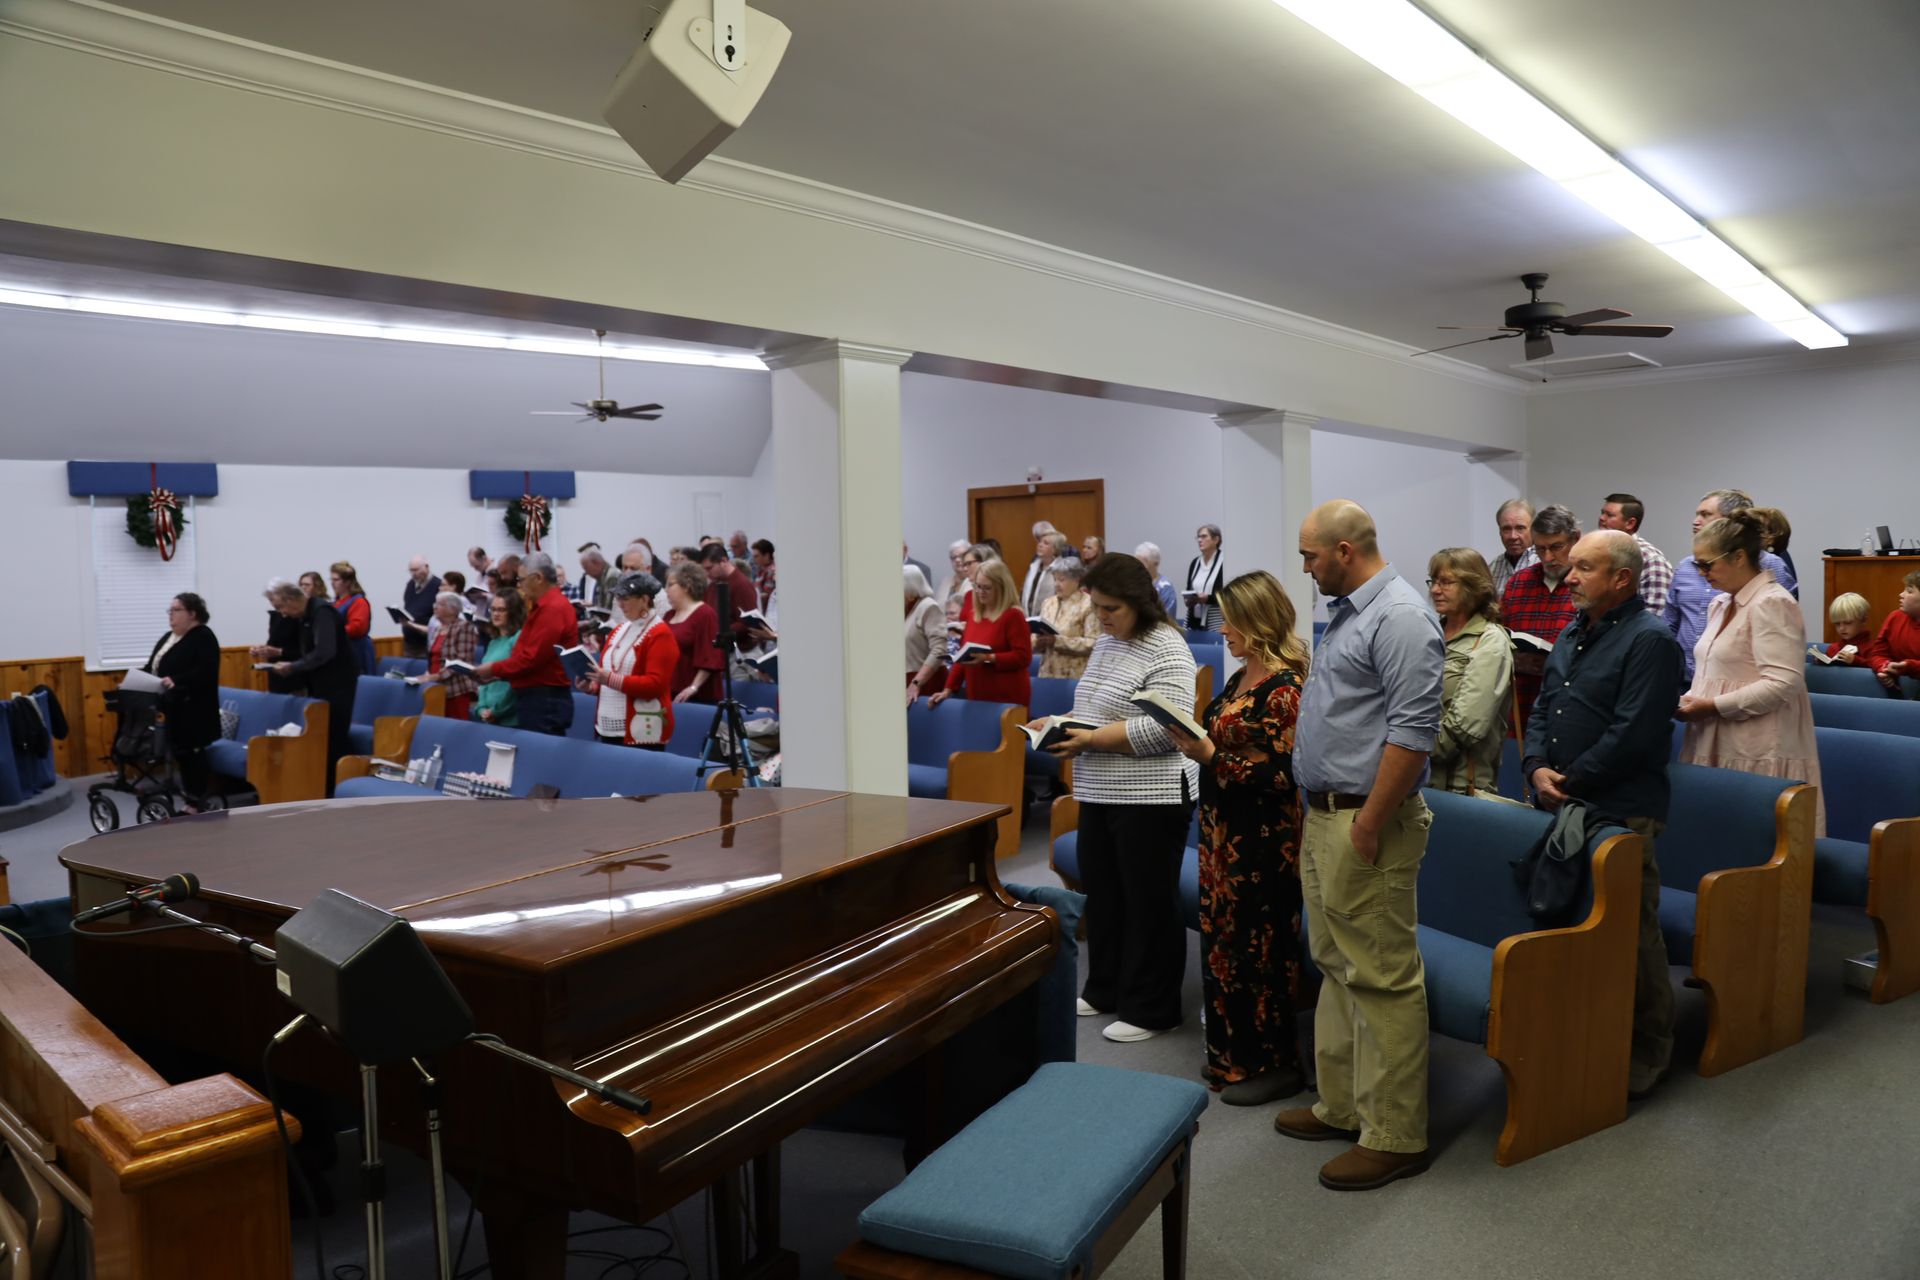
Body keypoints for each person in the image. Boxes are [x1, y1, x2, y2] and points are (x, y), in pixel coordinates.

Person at [1272, 500, 1442, 1192]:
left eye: (1309, 555)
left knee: (1381, 976)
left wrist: (1369, 821)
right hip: (1327, 814)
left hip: (1367, 821)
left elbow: (1413, 733)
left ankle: (1395, 1135)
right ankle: (1342, 1105)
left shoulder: (1400, 616)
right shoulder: (1348, 612)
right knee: (1336, 964)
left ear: (1344, 550)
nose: (1305, 567)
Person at [1522, 530, 1684, 1100]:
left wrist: (1568, 781)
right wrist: (1535, 765)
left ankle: (1648, 1049)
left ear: (1621, 578)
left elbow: (1633, 733)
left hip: (1621, 808)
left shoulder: (1651, 640)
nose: (1568, 578)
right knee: (1574, 922)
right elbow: (1543, 707)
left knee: (1632, 933)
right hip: (1567, 799)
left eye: (1583, 568)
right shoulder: (1574, 631)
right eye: (1571, 567)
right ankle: (1586, 1031)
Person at [1033, 553, 1198, 1044]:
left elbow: (1168, 730)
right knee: (1103, 893)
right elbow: (1094, 707)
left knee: (1148, 901)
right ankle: (1106, 988)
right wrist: (1060, 724)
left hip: (1152, 794)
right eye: (1097, 607)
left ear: (1139, 603)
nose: (1101, 617)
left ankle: (1153, 1008)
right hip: (1100, 787)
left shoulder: (1167, 646)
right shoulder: (1108, 642)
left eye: (1111, 609)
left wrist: (1089, 739)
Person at [1166, 570, 1310, 1104]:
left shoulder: (1286, 688)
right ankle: (1232, 1056)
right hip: (1222, 830)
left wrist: (1211, 756)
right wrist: (1196, 742)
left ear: (1257, 621)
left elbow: (1284, 777)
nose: (1222, 629)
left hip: (1263, 839)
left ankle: (1274, 1063)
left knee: (1260, 950)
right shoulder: (1240, 678)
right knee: (1223, 943)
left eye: (1231, 620)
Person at [1676, 511, 1825, 831]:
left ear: (1739, 557)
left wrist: (1712, 706)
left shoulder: (1772, 603)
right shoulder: (1720, 604)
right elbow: (1714, 672)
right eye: (1697, 565)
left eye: (1707, 564)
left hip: (1756, 743)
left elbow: (1783, 683)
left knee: (1751, 836)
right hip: (1713, 734)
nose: (1701, 573)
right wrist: (1687, 699)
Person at [1666, 489, 1797, 679]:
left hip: (1742, 680)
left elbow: (1782, 635)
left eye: (1705, 514)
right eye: (1696, 514)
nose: (1695, 521)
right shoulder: (1688, 570)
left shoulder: (1770, 567)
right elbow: (1670, 622)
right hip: (1685, 678)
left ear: (1729, 521)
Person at [1426, 548, 1513, 797]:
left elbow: (1466, 726)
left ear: (1473, 587)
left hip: (1460, 789)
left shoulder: (1490, 641)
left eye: (1446, 582)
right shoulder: (1429, 634)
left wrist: (1407, 748)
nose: (1435, 590)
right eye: (1433, 581)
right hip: (1417, 780)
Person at [471, 551, 578, 736]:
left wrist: (494, 669)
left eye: (521, 579)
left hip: (544, 698)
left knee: (540, 752)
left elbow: (531, 658)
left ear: (538, 578)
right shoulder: (543, 606)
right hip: (537, 697)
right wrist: (497, 675)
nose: (519, 585)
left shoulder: (552, 608)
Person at [269, 578, 359, 794]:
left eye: (281, 607)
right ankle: (323, 788)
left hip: (338, 684)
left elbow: (324, 652)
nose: (282, 613)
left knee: (335, 737)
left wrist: (293, 667)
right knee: (323, 736)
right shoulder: (305, 615)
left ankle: (342, 789)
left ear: (291, 600)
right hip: (320, 684)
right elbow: (307, 651)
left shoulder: (321, 612)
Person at [1501, 504, 1582, 731]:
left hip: (1570, 706)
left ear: (1575, 538)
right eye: (1540, 549)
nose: (1548, 557)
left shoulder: (1588, 584)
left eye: (1556, 547)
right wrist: (1514, 659)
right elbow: (1499, 636)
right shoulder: (1518, 582)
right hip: (1521, 704)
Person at [583, 572, 679, 749]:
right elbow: (608, 672)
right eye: (618, 597)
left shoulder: (660, 634)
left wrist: (610, 680)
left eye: (625, 598)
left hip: (641, 730)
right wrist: (592, 686)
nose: (620, 604)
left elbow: (655, 684)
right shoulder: (619, 630)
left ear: (644, 599)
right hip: (608, 726)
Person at [144, 592, 221, 805]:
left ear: (192, 614)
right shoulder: (168, 637)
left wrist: (176, 680)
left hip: (194, 707)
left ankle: (196, 802)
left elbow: (206, 672)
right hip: (172, 705)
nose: (171, 615)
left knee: (192, 753)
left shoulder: (203, 636)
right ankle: (190, 798)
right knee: (181, 753)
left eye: (176, 610)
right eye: (170, 610)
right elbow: (153, 666)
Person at [930, 558, 1031, 708]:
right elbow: (962, 658)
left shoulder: (1013, 615)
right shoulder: (973, 615)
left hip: (1005, 696)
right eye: (977, 586)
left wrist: (988, 658)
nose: (980, 592)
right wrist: (948, 689)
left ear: (1001, 587)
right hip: (977, 694)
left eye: (987, 588)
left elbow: (1023, 657)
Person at [1596, 493, 1675, 614]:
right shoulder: (1597, 553)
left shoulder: (1651, 559)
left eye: (1609, 515)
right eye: (1602, 513)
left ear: (1630, 523)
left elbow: (1655, 615)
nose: (1602, 518)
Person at [665, 561, 725, 704]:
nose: (666, 590)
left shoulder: (705, 614)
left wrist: (693, 687)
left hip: (696, 696)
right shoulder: (669, 615)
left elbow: (710, 657)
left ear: (686, 586)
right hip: (670, 690)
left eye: (670, 585)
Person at [419, 591, 480, 722]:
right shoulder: (437, 629)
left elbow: (462, 660)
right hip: (435, 687)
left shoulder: (465, 627)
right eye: (435, 603)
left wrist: (437, 676)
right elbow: (433, 658)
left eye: (440, 604)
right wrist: (428, 675)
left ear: (453, 609)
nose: (435, 607)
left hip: (456, 688)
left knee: (456, 726)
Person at [1036, 557, 1099, 679]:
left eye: (1061, 580)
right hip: (1046, 675)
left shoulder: (1088, 604)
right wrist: (1037, 642)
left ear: (1077, 579)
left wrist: (1057, 641)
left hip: (1073, 677)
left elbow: (1093, 643)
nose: (1056, 584)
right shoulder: (1048, 603)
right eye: (1055, 579)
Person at [252, 576, 310, 694]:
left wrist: (279, 652)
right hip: (277, 676)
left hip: (296, 677)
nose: (281, 612)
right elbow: (273, 641)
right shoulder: (275, 616)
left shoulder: (298, 616)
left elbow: (306, 650)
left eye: (278, 605)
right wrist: (262, 649)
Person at [473, 593, 524, 726]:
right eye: (493, 609)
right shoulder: (493, 642)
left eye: (501, 610)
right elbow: (485, 681)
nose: (495, 614)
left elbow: (517, 680)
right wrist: (481, 708)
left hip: (510, 718)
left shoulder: (519, 638)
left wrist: (496, 711)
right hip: (489, 715)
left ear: (513, 612)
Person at [1864, 570, 1920, 690]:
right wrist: (1884, 668)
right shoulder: (1894, 617)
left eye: (1909, 591)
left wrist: (1909, 667)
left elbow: (1909, 667)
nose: (1901, 594)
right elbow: (1878, 654)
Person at [699, 543, 764, 641]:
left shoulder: (741, 585)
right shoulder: (715, 583)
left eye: (709, 568)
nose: (707, 573)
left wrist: (718, 631)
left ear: (724, 561)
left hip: (737, 647)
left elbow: (749, 624)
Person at [904, 565, 949, 703]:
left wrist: (916, 682)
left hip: (926, 681)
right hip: (907, 679)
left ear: (910, 590)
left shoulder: (928, 606)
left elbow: (939, 650)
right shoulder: (904, 609)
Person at [328, 561, 376, 675]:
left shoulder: (359, 601)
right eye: (331, 579)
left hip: (356, 650)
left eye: (336, 580)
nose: (332, 583)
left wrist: (331, 631)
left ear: (348, 582)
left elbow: (357, 628)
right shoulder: (336, 603)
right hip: (342, 650)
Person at [1488, 499, 1538, 602]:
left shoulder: (1545, 562)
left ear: (1533, 530)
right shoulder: (1493, 567)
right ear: (1500, 531)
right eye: (1506, 529)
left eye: (1520, 528)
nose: (1512, 536)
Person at [1184, 525, 1226, 631]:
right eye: (1198, 537)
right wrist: (1189, 599)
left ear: (1216, 539)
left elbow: (1226, 593)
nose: (1199, 540)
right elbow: (1189, 588)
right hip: (1194, 619)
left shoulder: (1224, 562)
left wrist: (1208, 598)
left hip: (1215, 619)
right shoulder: (1195, 562)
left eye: (1203, 536)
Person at [399, 555, 439, 657]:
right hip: (409, 643)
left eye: (416, 570)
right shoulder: (411, 584)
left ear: (426, 567)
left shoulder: (437, 585)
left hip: (427, 643)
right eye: (411, 570)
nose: (413, 573)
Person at [1019, 522, 1061, 617]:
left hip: (1049, 620)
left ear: (1055, 549)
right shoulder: (1033, 566)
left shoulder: (1060, 569)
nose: (1040, 545)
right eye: (1039, 542)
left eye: (1046, 543)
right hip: (1028, 618)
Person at [1822, 592, 1873, 665]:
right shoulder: (1833, 649)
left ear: (1863, 620)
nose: (1841, 628)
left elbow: (1876, 666)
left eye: (1848, 623)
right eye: (1837, 624)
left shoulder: (1873, 648)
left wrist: (1856, 661)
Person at [1136, 542, 1180, 617]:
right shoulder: (1134, 584)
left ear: (1156, 563)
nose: (1138, 567)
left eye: (1143, 563)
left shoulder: (1165, 588)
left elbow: (1167, 618)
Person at [575, 543, 618, 608]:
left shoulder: (611, 576)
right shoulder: (587, 578)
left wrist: (593, 605)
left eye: (586, 568)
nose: (586, 572)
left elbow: (608, 607)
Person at [936, 539, 972, 606]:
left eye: (962, 556)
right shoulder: (946, 581)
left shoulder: (974, 581)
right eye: (954, 557)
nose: (957, 560)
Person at [752, 539, 777, 605]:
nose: (754, 559)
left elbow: (767, 595)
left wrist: (751, 596)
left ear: (767, 555)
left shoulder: (771, 571)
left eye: (756, 556)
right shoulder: (761, 569)